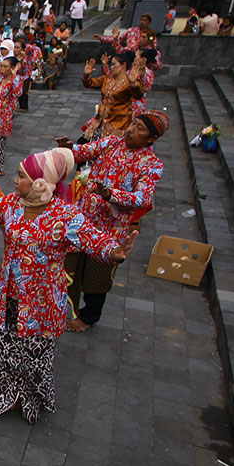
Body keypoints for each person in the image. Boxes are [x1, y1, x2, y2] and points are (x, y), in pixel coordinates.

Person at [0, 148, 138, 423]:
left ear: (41, 183)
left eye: (21, 176)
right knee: (7, 348)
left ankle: (31, 400)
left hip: (42, 302)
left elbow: (94, 240)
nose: (15, 181)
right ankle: (7, 395)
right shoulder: (10, 205)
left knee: (35, 355)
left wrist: (114, 252)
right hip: (10, 294)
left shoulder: (64, 215)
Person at [56, 110, 167, 332]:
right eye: (133, 124)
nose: (131, 130)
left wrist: (110, 195)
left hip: (110, 229)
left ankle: (88, 317)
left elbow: (142, 198)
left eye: (140, 129)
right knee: (69, 266)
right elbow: (81, 152)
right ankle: (62, 306)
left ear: (152, 139)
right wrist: (68, 148)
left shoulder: (152, 164)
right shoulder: (111, 143)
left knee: (97, 275)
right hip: (82, 221)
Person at [81, 51, 143, 140]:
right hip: (100, 123)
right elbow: (90, 83)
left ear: (123, 65)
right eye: (111, 65)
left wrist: (133, 83)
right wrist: (86, 75)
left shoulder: (129, 81)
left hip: (118, 126)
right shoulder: (107, 78)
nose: (111, 67)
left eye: (114, 64)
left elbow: (138, 95)